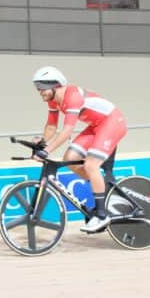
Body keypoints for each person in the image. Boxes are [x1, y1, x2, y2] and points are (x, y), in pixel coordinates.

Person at [31, 66, 127, 233]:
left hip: (112, 122)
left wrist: (47, 151)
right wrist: (42, 143)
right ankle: (103, 189)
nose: (40, 92)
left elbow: (67, 131)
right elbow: (52, 126)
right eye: (38, 88)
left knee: (90, 165)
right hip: (96, 125)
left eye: (42, 88)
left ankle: (102, 215)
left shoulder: (72, 96)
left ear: (55, 85)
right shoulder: (53, 100)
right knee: (70, 157)